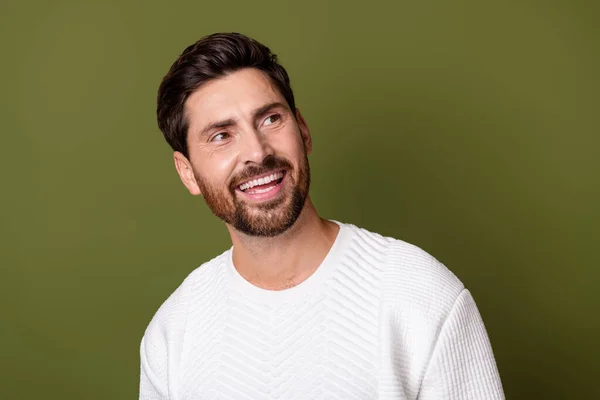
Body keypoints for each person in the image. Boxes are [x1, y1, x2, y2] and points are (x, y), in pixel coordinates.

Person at [140, 32, 504, 400]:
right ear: (187, 172)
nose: (257, 152)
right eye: (221, 136)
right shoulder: (173, 334)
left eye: (269, 119)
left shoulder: (422, 297)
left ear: (303, 131)